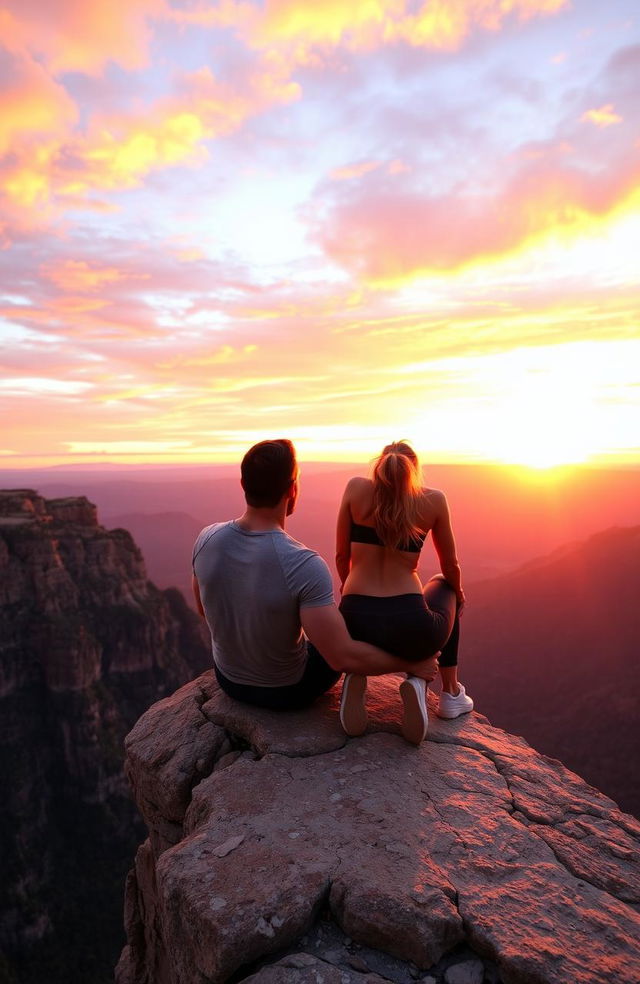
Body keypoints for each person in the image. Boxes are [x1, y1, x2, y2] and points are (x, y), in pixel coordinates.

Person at [192, 438, 440, 713]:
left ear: (243, 485)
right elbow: (340, 657)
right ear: (293, 489)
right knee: (342, 634)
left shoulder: (207, 539)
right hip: (286, 691)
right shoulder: (303, 563)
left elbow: (205, 608)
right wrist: (411, 664)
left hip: (229, 680)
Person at [335, 440, 473, 744]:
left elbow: (341, 558)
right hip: (411, 625)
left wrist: (351, 597)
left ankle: (357, 677)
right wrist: (458, 595)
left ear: (382, 467)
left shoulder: (355, 488)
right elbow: (450, 564)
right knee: (444, 583)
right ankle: (448, 693)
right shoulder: (433, 500)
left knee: (368, 619)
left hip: (355, 622)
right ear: (414, 471)